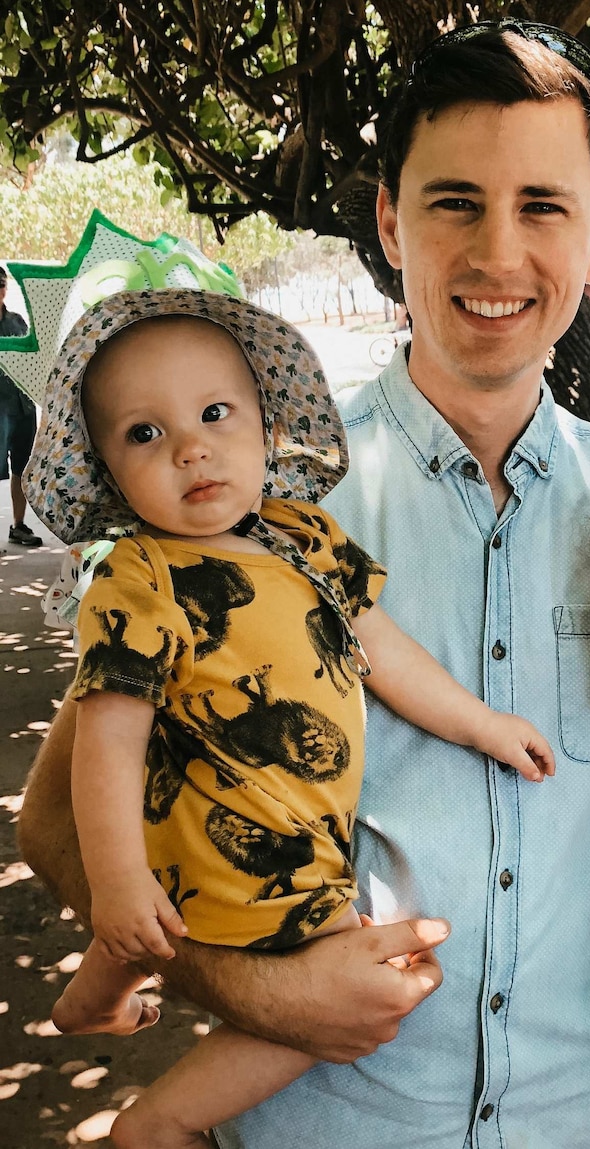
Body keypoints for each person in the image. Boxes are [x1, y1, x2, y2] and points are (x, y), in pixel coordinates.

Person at [19, 20, 590, 1148]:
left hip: (574, 1124)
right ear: (389, 223)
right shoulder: (233, 518)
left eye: (542, 206)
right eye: (454, 201)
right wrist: (254, 994)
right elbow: (61, 824)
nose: (499, 253)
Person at [25, 287, 554, 1149]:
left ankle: (96, 994)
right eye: (144, 434)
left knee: (171, 936)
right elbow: (108, 740)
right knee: (342, 994)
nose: (191, 447)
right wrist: (117, 878)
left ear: (267, 427)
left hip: (288, 822)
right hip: (256, 841)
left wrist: (483, 725)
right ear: (108, 472)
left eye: (213, 413)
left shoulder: (304, 536)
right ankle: (162, 1119)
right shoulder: (139, 574)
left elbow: (386, 650)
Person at [0, 265, 43, 548]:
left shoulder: (16, 322)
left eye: (1, 285)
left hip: (22, 408)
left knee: (22, 470)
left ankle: (18, 526)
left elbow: (32, 360)